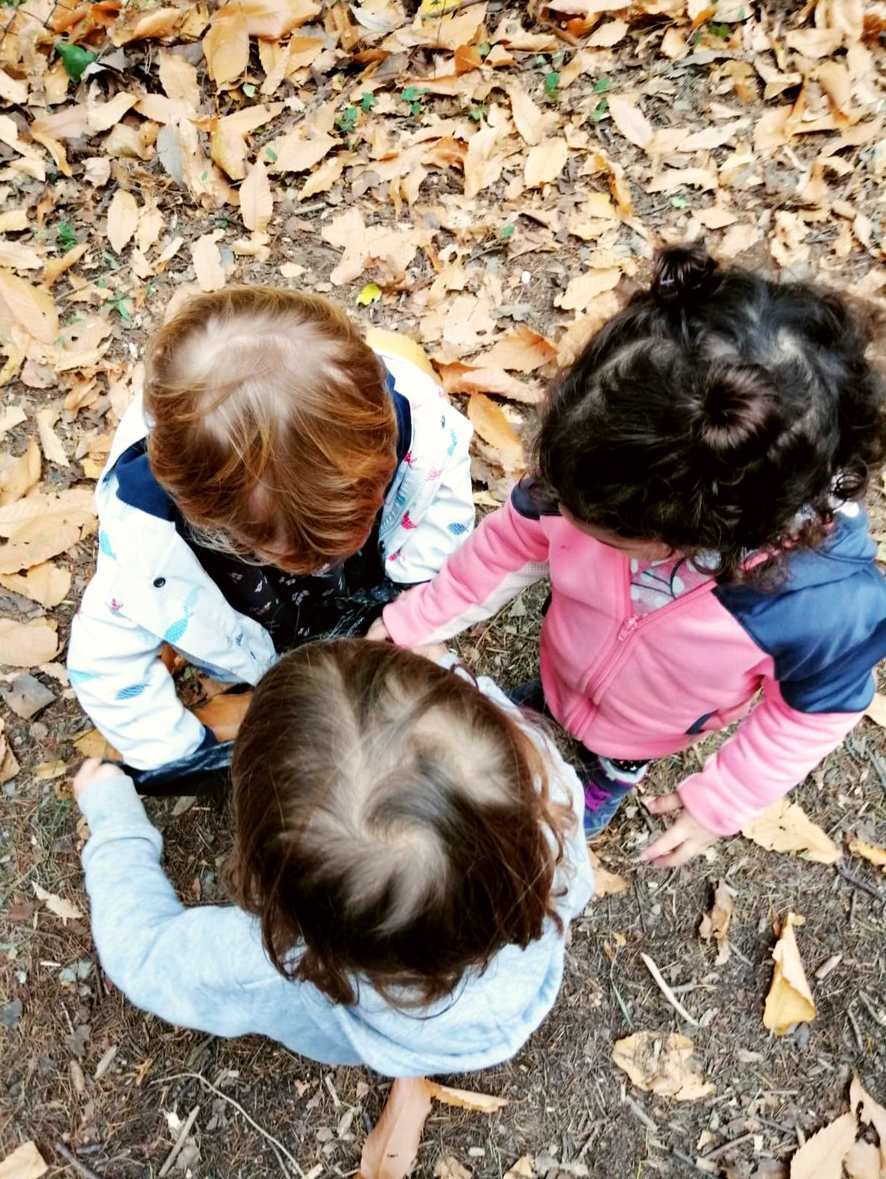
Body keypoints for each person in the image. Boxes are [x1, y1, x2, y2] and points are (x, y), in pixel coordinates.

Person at [370, 244, 886, 867]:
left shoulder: (821, 607)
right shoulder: (593, 469)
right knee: (544, 700)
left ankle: (609, 775)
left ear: (696, 534)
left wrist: (720, 801)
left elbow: (812, 714)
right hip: (567, 660)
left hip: (653, 724)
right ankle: (550, 704)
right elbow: (508, 544)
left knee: (618, 754)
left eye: (601, 534)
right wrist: (419, 619)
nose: (559, 513)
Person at [72, 639, 592, 1074]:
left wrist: (114, 819)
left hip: (389, 1036)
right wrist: (448, 668)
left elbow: (144, 955)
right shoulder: (553, 810)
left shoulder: (271, 964)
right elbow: (490, 742)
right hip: (514, 998)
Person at [67, 287, 474, 788]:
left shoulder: (417, 423)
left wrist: (417, 594)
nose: (325, 560)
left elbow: (442, 491)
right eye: (295, 552)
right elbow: (105, 666)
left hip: (362, 583)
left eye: (360, 518)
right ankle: (238, 677)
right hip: (250, 617)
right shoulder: (147, 549)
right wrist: (187, 754)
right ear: (205, 516)